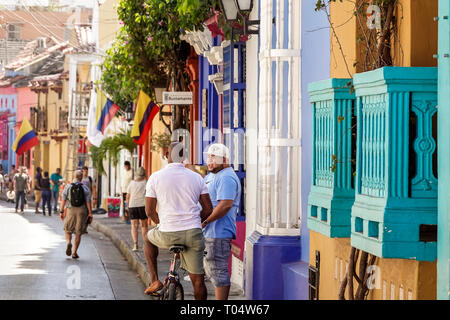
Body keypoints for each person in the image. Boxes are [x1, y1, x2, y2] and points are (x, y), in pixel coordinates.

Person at [144, 142, 213, 299]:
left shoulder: (155, 177)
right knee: (198, 282)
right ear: (184, 157)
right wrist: (196, 221)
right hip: (193, 234)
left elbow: (149, 211)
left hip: (167, 233)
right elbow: (208, 209)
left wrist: (162, 223)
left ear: (167, 155)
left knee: (147, 239)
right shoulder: (197, 178)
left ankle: (154, 280)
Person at [200, 143, 241, 300]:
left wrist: (205, 221)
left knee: (218, 270)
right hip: (208, 231)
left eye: (214, 158)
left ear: (224, 160)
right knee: (211, 270)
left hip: (218, 232)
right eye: (208, 157)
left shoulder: (227, 177)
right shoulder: (212, 175)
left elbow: (225, 205)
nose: (210, 161)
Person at [59, 170, 93, 259]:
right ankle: (74, 252)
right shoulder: (85, 188)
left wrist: (61, 211)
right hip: (82, 211)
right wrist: (90, 213)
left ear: (73, 176)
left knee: (67, 229)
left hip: (70, 209)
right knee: (78, 233)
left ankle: (68, 242)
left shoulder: (68, 187)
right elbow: (88, 201)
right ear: (81, 178)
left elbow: (64, 200)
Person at [126, 167, 148, 252]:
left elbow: (128, 196)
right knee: (144, 226)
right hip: (143, 206)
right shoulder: (146, 183)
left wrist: (127, 206)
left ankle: (135, 245)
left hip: (133, 206)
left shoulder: (131, 183)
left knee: (134, 226)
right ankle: (145, 244)